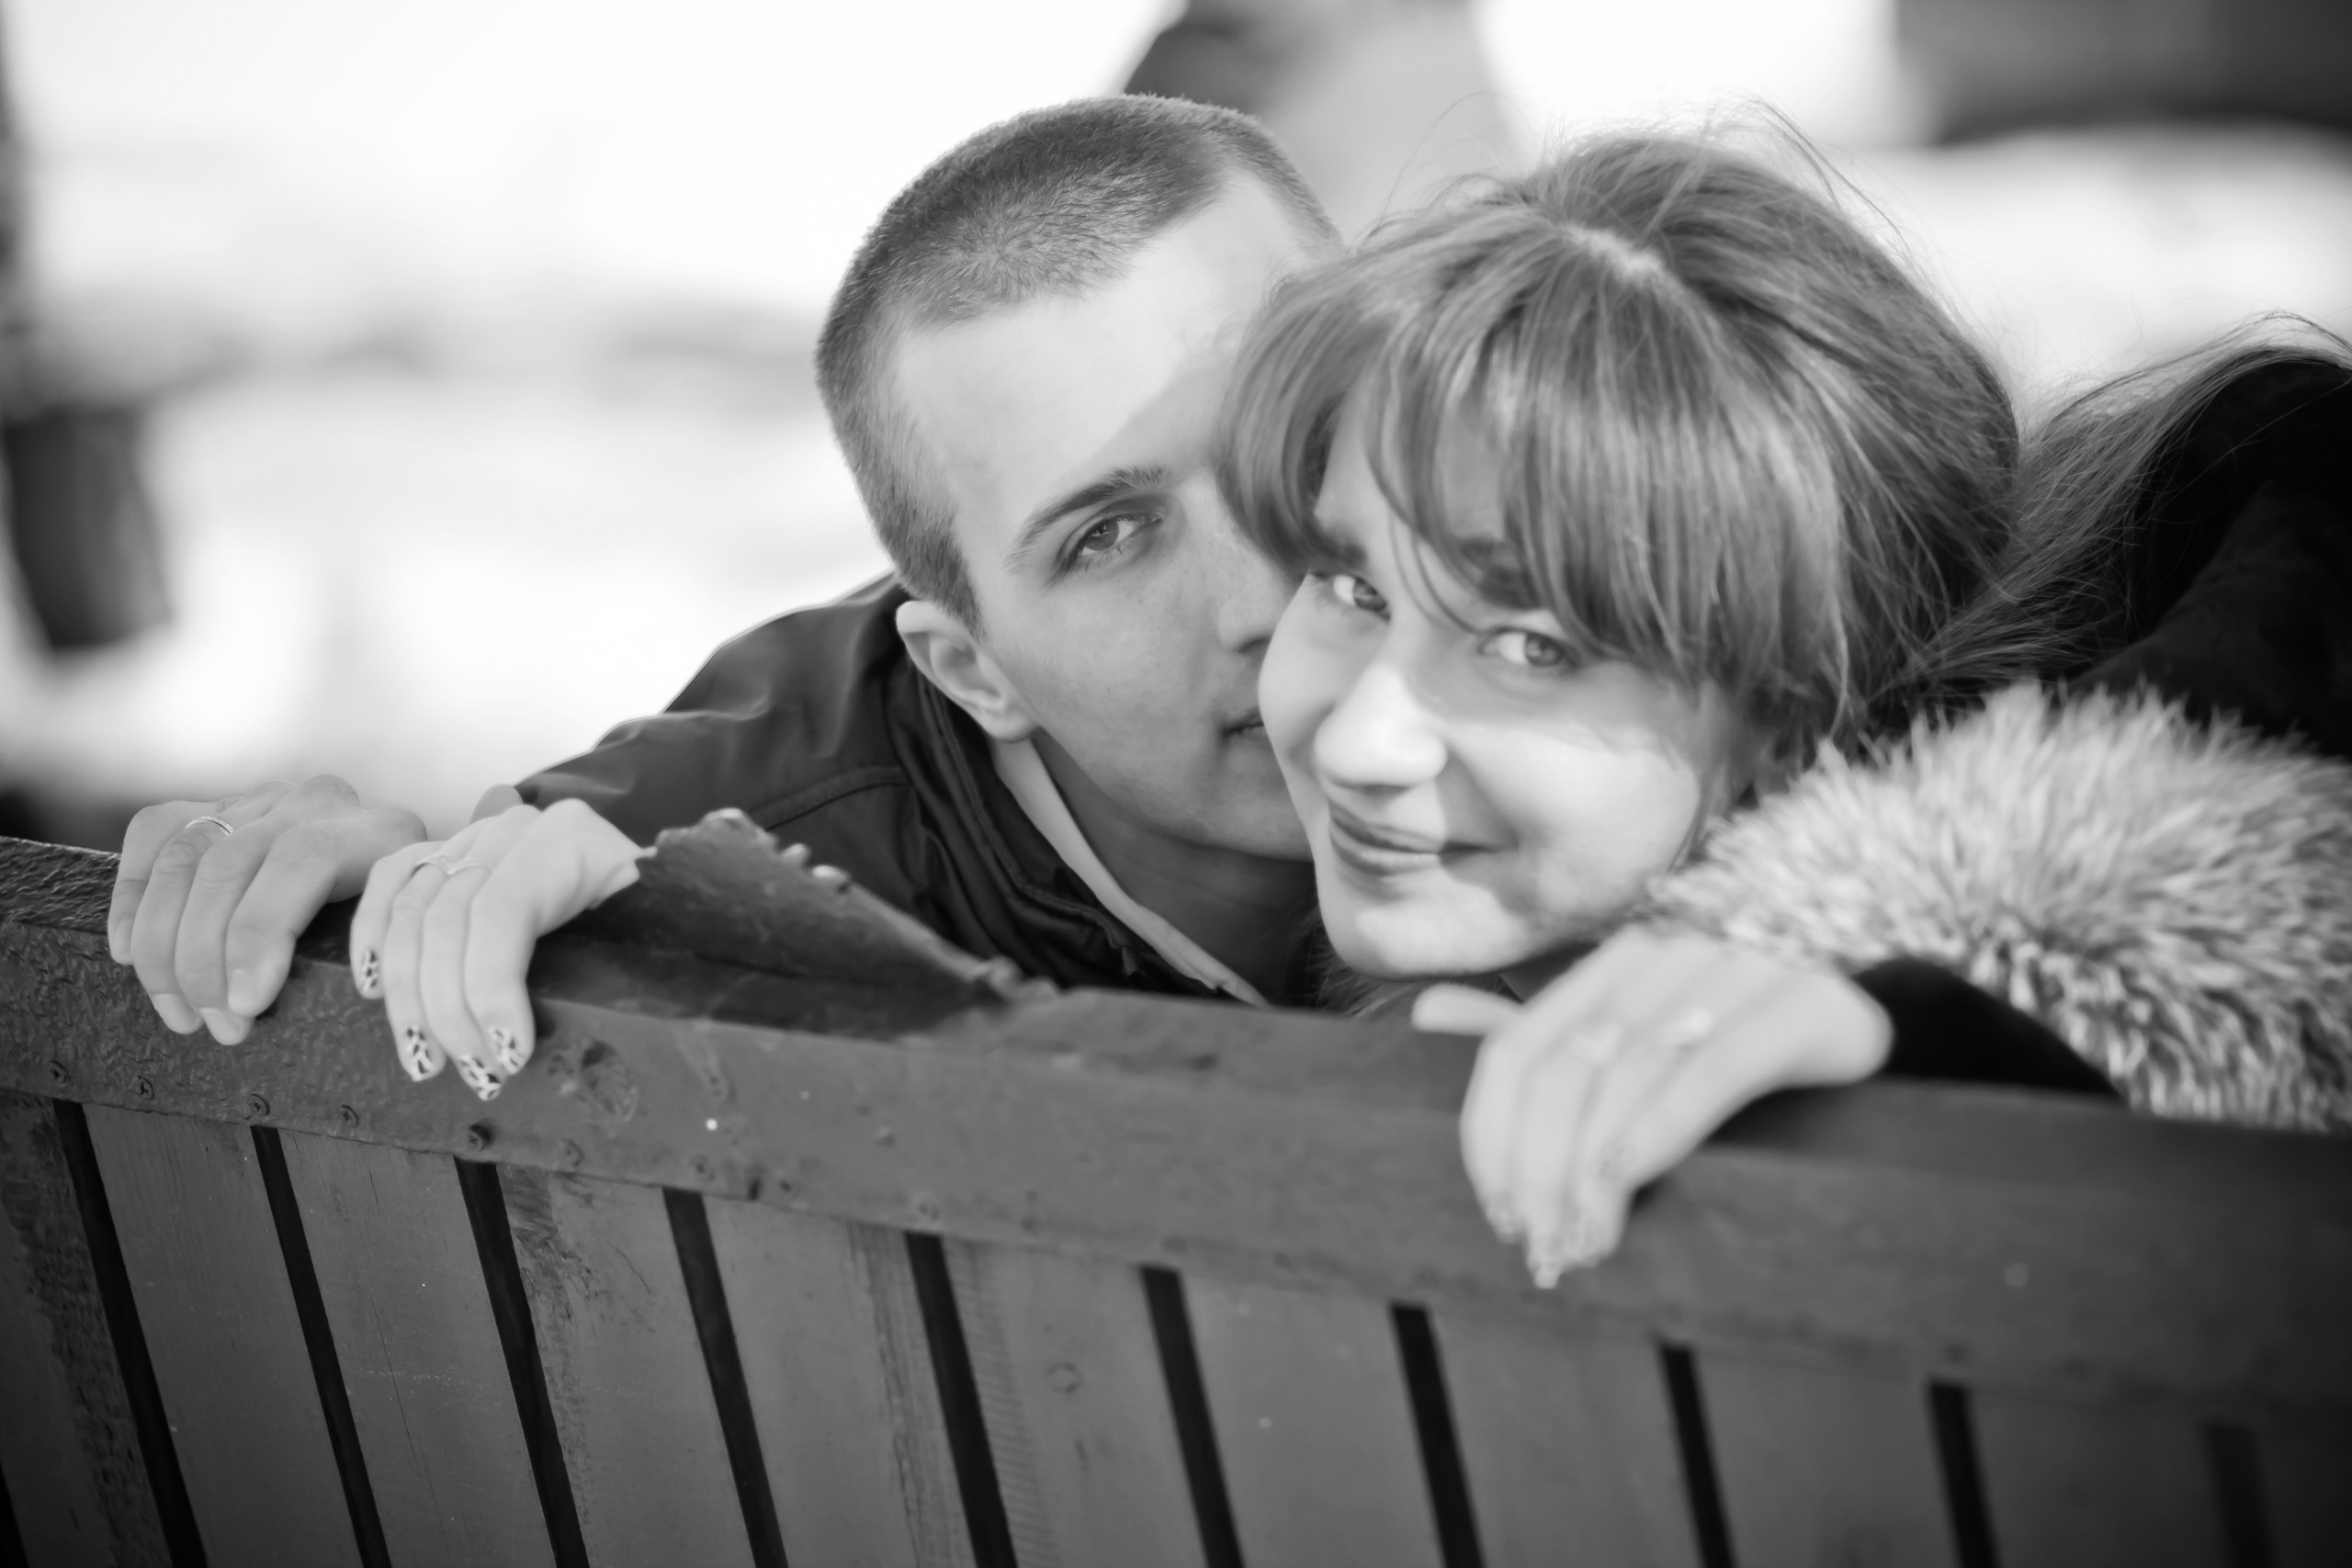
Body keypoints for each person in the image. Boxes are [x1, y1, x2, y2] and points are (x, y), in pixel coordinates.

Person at [1219, 126, 2352, 1281]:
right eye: (1352, 587)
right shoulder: (1247, 962)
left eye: (1528, 645)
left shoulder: (2004, 1079)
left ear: (1792, 722)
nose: (1360, 743)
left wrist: (1937, 1012)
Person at [106, 96, 1339, 1092]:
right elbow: (529, 871)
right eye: (1106, 536)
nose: (1267, 596)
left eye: (1296, 430)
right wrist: (366, 904)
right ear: (974, 671)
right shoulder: (716, 864)